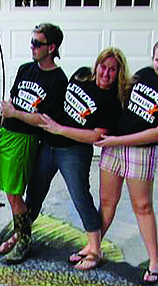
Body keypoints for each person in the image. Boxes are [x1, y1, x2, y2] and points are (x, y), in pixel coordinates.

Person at [0, 23, 68, 264]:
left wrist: (15, 114)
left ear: (51, 47)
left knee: (13, 193)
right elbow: (8, 105)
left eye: (37, 43)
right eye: (31, 42)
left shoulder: (58, 79)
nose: (32, 47)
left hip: (24, 140)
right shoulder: (25, 69)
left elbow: (44, 120)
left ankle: (23, 241)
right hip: (5, 134)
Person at [94, 38, 158, 284]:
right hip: (114, 145)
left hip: (141, 151)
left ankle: (153, 261)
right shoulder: (144, 75)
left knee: (143, 206)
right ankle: (93, 248)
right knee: (107, 201)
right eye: (157, 59)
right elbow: (118, 99)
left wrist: (117, 141)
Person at [21, 47, 128, 270]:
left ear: (119, 74)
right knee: (35, 192)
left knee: (80, 197)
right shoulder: (80, 75)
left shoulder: (112, 101)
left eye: (112, 70)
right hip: (49, 144)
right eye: (103, 67)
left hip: (74, 151)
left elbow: (95, 136)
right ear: (96, 65)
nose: (106, 73)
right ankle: (21, 236)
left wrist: (60, 129)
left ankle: (95, 249)